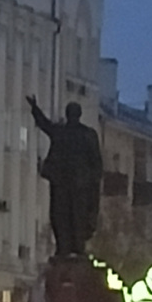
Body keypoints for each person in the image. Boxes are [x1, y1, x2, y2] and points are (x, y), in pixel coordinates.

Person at [26, 96, 103, 256]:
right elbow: (97, 162)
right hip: (71, 185)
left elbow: (45, 124)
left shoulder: (71, 132)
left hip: (71, 184)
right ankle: (69, 247)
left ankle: (70, 247)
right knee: (67, 216)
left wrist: (35, 108)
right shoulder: (85, 134)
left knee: (66, 216)